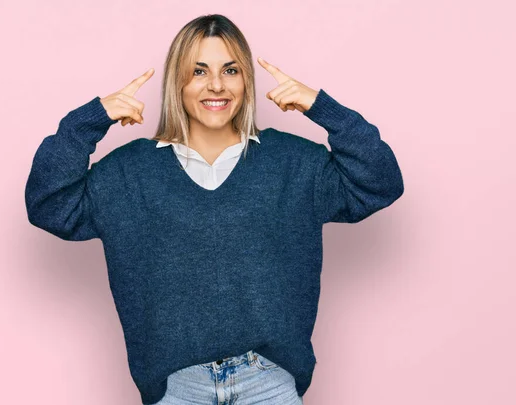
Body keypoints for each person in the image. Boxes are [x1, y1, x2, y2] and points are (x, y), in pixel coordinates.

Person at [25, 14, 404, 405]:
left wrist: (323, 109)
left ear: (246, 81)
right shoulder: (129, 173)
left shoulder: (294, 163)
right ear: (178, 82)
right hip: (177, 389)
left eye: (231, 70)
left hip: (269, 384)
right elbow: (50, 205)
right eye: (199, 71)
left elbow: (379, 182)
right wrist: (88, 121)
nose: (217, 85)